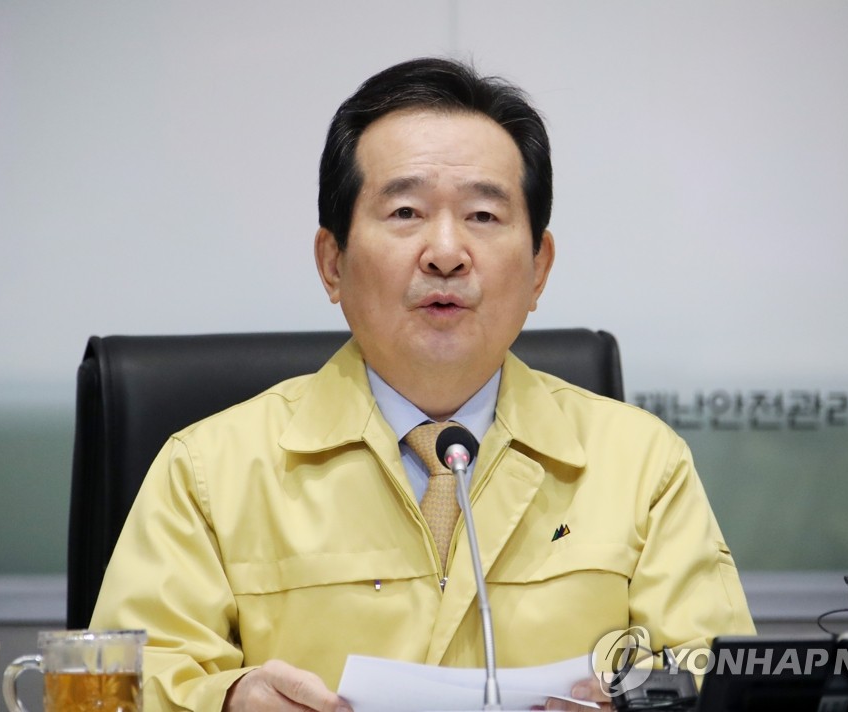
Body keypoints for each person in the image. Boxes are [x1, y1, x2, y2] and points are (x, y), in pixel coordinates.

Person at [91, 57, 755, 711]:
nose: (445, 253)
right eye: (406, 211)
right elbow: (122, 686)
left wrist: (643, 707)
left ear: (539, 269)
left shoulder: (641, 466)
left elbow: (719, 680)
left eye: (483, 216)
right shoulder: (209, 472)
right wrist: (230, 702)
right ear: (333, 263)